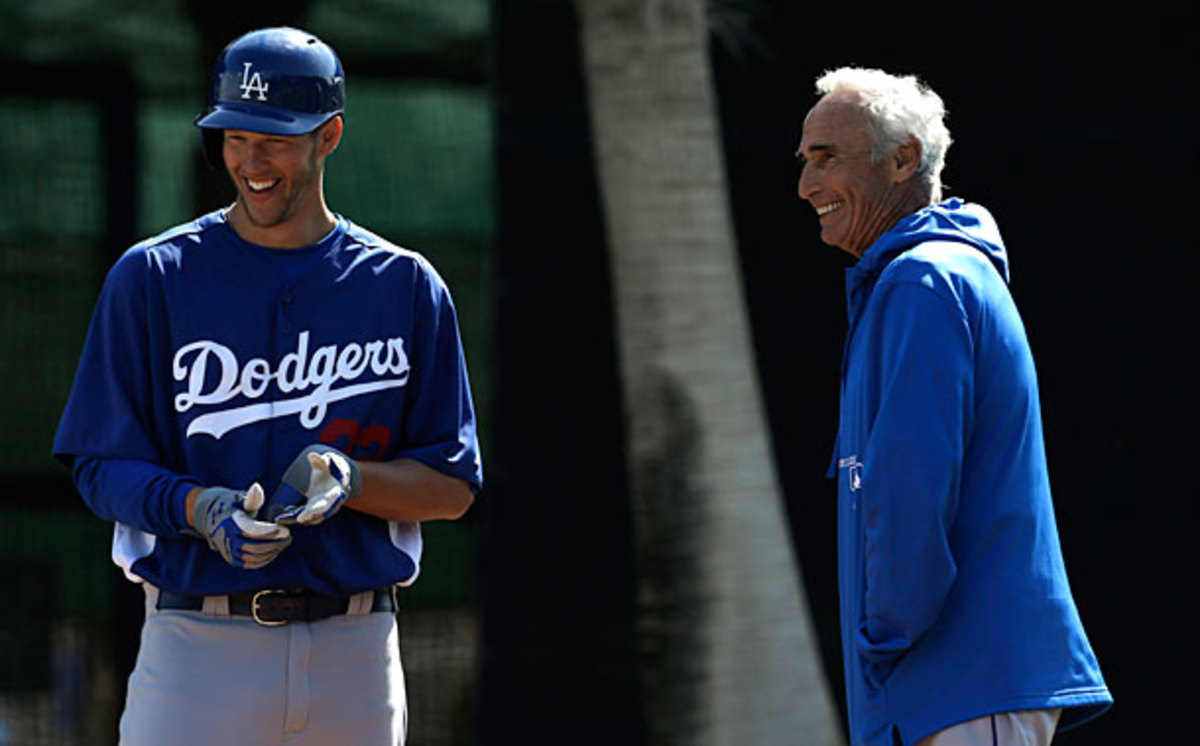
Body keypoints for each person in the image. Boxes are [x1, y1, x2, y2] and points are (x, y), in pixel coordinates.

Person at [52, 27, 483, 746]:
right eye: (234, 136)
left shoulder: (405, 285)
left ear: (329, 136)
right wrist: (199, 507)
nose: (252, 162)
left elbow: (452, 485)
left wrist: (352, 480)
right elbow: (99, 465)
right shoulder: (154, 277)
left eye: (276, 139)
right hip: (197, 642)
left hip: (355, 650)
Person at [794, 67, 1112, 746]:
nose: (806, 186)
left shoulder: (921, 281)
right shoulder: (920, 277)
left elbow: (910, 488)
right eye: (804, 161)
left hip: (957, 684)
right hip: (946, 688)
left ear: (904, 157)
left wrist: (882, 641)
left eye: (827, 158)